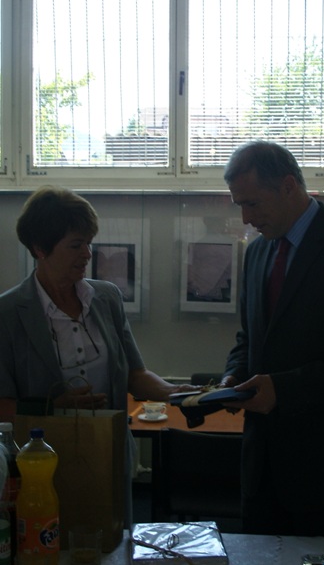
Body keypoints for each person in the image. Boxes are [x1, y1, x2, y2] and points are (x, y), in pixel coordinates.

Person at [219, 140, 324, 537]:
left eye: (252, 204)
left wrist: (281, 390)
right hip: (262, 470)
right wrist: (232, 378)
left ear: (288, 187)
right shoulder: (257, 254)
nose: (246, 218)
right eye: (239, 205)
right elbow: (250, 338)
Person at [0, 185, 192, 524]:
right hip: (41, 461)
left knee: (115, 542)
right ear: (40, 248)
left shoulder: (107, 298)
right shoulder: (8, 313)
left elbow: (134, 374)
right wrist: (52, 407)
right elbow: (2, 406)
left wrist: (176, 393)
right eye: (76, 245)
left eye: (89, 242)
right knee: (50, 542)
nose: (88, 254)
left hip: (109, 449)